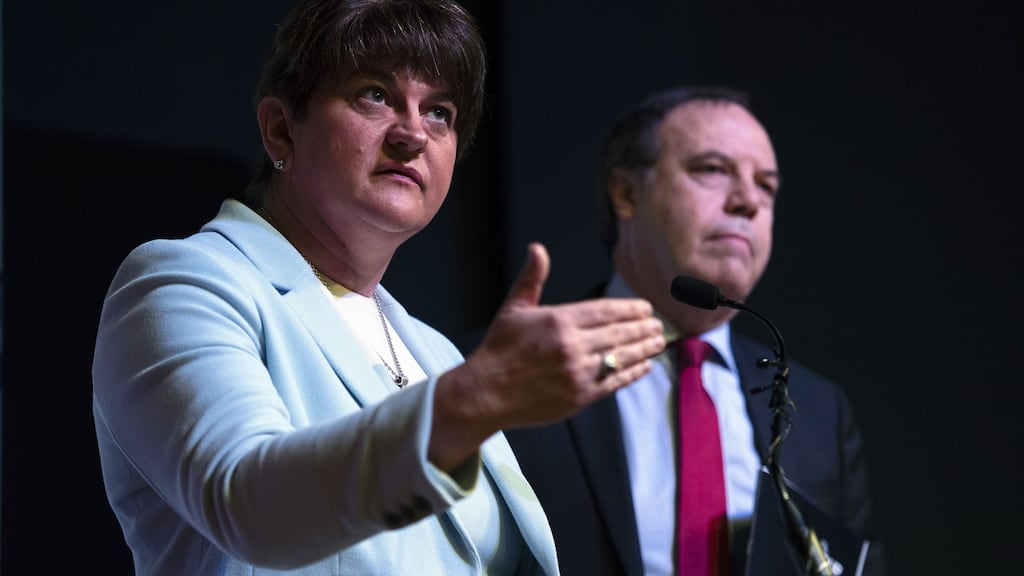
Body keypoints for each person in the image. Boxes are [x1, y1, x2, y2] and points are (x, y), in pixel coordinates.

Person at [91, 1, 665, 574]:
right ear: (282, 129)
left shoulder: (434, 350)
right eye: (375, 95)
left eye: (439, 111)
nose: (414, 133)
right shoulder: (183, 285)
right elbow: (253, 507)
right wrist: (472, 401)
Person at [504, 86, 886, 575]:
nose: (749, 200)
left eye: (766, 186)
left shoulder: (818, 413)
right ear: (626, 193)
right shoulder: (518, 369)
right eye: (712, 169)